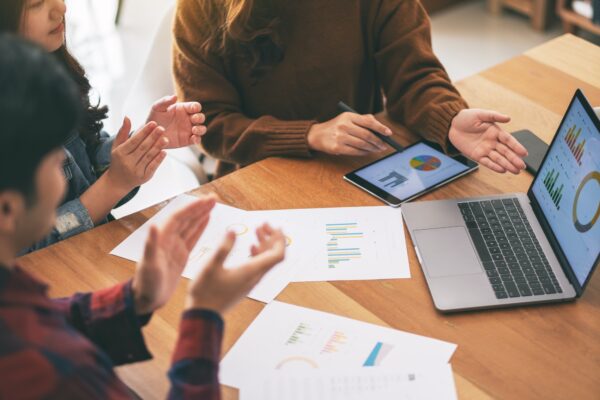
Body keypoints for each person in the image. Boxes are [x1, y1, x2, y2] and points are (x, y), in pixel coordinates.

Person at [0, 34, 286, 399]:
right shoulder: (53, 370)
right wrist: (204, 315)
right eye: (52, 160)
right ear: (8, 208)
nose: (64, 162)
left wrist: (136, 298)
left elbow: (42, 316)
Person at [173, 0, 529, 178]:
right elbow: (212, 124)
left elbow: (413, 75)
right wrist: (310, 135)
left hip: (359, 167)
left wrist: (449, 118)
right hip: (258, 177)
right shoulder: (200, 8)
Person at [0, 0, 208, 254]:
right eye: (36, 4)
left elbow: (90, 162)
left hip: (95, 255)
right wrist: (113, 185)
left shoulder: (54, 76)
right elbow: (24, 249)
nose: (61, 8)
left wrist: (144, 142)